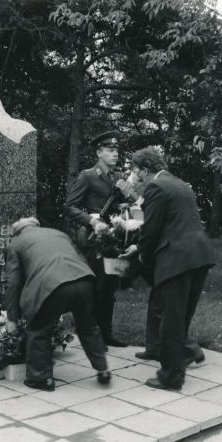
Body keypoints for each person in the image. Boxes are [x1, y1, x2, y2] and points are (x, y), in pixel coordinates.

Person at [120, 147, 214, 390]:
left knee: (171, 319)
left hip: (177, 260)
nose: (135, 174)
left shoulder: (156, 187)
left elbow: (151, 230)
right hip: (199, 256)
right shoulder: (180, 183)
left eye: (136, 169)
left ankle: (171, 377)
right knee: (181, 316)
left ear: (144, 169)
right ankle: (182, 357)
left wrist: (139, 253)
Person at [4, 217, 111, 391]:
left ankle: (41, 379)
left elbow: (13, 283)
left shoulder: (15, 244)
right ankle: (103, 369)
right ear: (37, 225)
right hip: (83, 279)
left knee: (39, 329)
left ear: (16, 233)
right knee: (88, 326)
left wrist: (12, 317)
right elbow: (79, 256)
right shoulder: (58, 234)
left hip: (51, 285)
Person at [65, 130, 136, 348]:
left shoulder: (118, 179)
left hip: (115, 240)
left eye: (116, 150)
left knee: (111, 288)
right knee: (95, 288)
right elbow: (70, 207)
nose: (115, 154)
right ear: (99, 152)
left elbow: (134, 204)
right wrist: (91, 221)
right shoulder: (88, 175)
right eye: (110, 150)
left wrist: (127, 198)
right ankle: (91, 335)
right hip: (94, 240)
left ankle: (107, 333)